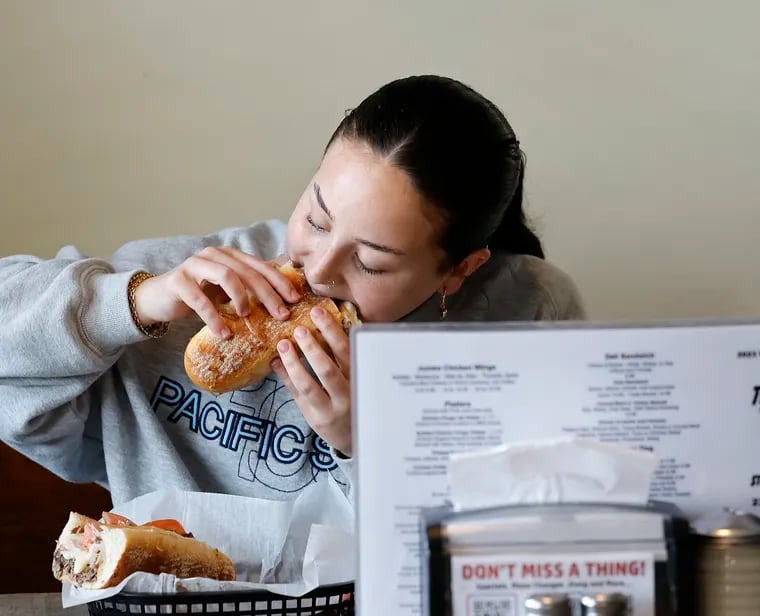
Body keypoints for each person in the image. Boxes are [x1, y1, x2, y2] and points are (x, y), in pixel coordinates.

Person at [0, 74, 585, 507]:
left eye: (372, 263)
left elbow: (531, 542)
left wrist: (365, 443)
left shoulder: (525, 316)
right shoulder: (188, 282)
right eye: (317, 219)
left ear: (457, 271)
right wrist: (132, 304)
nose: (322, 269)